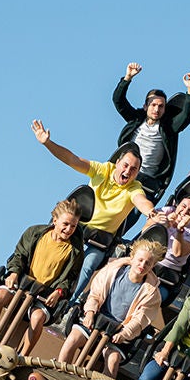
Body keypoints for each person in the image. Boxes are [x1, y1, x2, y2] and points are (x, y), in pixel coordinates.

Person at [31, 120, 157, 295]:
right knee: (60, 248)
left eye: (133, 169)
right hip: (78, 226)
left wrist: (151, 212)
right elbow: (72, 159)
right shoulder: (102, 170)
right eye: (125, 166)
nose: (127, 172)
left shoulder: (134, 187)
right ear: (118, 162)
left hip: (100, 239)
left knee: (88, 265)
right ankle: (38, 283)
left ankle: (68, 301)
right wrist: (48, 143)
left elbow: (141, 201)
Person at [0, 198, 84, 353]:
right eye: (65, 224)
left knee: (37, 319)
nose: (69, 229)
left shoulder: (75, 251)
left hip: (43, 295)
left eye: (73, 226)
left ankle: (22, 356)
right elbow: (19, 255)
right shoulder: (34, 233)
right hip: (21, 284)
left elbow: (70, 278)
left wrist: (59, 292)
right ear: (55, 221)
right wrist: (14, 273)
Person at [57, 239, 166, 377]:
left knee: (113, 361)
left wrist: (124, 334)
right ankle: (60, 373)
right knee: (72, 340)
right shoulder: (113, 270)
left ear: (153, 266)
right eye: (140, 260)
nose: (142, 265)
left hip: (118, 331)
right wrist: (90, 312)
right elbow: (95, 294)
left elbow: (140, 320)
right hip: (96, 320)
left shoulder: (151, 293)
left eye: (147, 263)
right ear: (132, 258)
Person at [112, 64, 190, 203]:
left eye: (161, 106)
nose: (156, 109)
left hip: (145, 181)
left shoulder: (167, 128)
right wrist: (127, 78)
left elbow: (186, 116)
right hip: (124, 172)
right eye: (153, 105)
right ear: (146, 106)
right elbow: (118, 101)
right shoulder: (136, 119)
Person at [142, 187, 190, 298]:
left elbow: (178, 252)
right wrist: (162, 224)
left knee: (150, 297)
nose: (185, 212)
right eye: (183, 206)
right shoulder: (166, 211)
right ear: (177, 205)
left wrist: (179, 231)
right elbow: (145, 231)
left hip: (165, 272)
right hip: (145, 259)